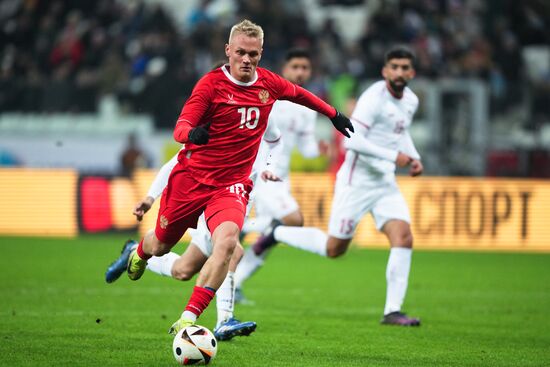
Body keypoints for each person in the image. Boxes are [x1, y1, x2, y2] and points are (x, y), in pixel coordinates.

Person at [124, 19, 354, 335]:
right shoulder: (209, 85)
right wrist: (193, 132)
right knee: (162, 246)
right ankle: (140, 252)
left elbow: (300, 94)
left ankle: (189, 318)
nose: (247, 60)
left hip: (231, 186)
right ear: (228, 51)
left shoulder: (269, 84)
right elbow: (180, 128)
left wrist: (334, 115)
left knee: (229, 243)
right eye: (241, 53)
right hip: (191, 181)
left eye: (254, 54)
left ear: (261, 54)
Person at [251, 47, 422, 326]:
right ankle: (278, 232)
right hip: (356, 183)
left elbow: (400, 134)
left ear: (412, 72)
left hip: (385, 183)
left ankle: (393, 311)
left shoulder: (411, 101)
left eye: (405, 68)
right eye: (395, 67)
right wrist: (395, 157)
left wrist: (414, 157)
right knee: (335, 249)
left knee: (403, 237)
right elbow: (351, 140)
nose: (400, 72)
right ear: (385, 71)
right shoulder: (373, 100)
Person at [105, 116, 283, 340]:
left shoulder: (261, 114)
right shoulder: (217, 121)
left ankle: (134, 252)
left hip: (237, 204)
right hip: (208, 202)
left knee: (183, 270)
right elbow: (175, 162)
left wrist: (269, 167)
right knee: (233, 250)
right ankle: (224, 321)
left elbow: (276, 141)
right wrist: (150, 197)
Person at [233, 48, 328, 301]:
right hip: (259, 172)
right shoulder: (268, 95)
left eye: (305, 67)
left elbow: (306, 148)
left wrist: (318, 150)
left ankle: (236, 281)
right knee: (293, 220)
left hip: (280, 178)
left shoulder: (308, 106)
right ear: (284, 69)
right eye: (295, 66)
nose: (300, 72)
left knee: (271, 235)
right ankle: (243, 228)